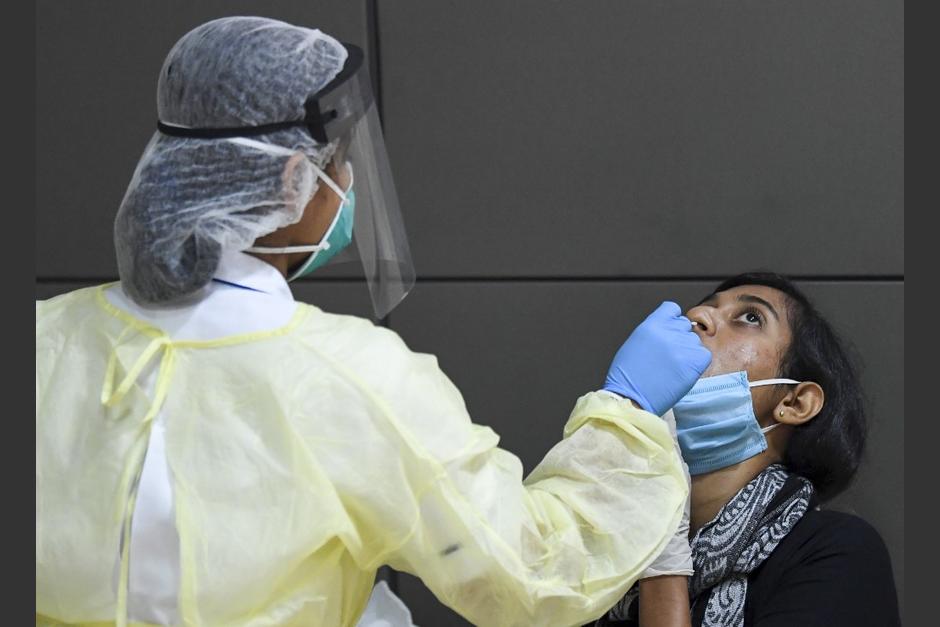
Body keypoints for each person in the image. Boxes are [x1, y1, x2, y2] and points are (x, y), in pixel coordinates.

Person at [37, 17, 711, 626]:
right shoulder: (351, 379)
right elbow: (530, 575)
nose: (350, 180)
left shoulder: (42, 341)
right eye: (338, 164)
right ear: (291, 182)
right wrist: (627, 415)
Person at [596, 272, 901, 626]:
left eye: (751, 317)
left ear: (796, 402)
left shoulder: (837, 553)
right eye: (704, 307)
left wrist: (662, 560)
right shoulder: (596, 557)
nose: (696, 315)